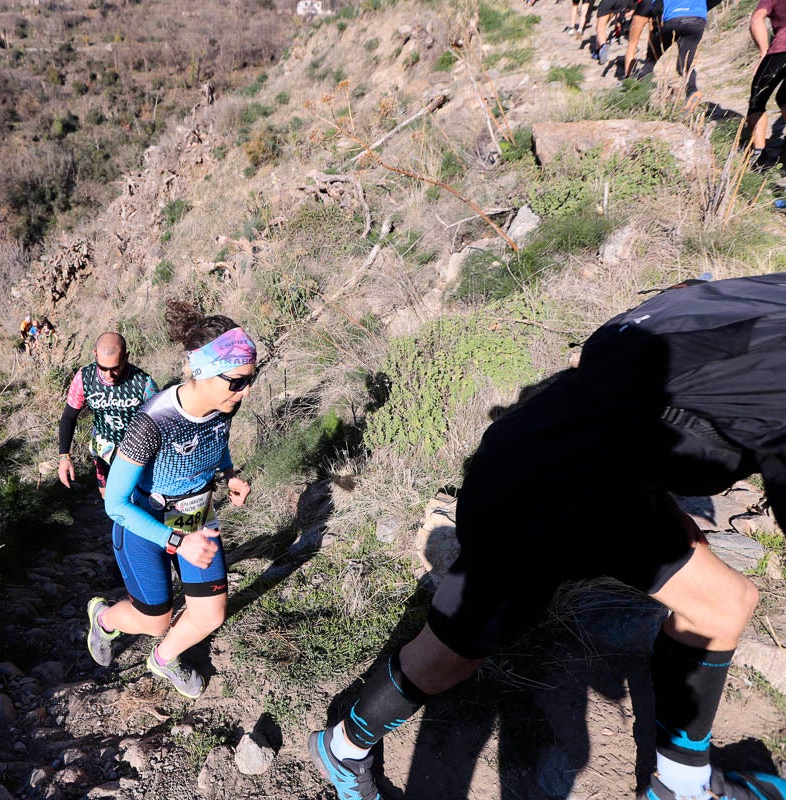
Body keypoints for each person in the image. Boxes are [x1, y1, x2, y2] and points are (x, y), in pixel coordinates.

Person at [309, 273, 786, 800]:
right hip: (534, 492)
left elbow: (615, 344)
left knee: (721, 605)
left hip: (604, 479)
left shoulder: (760, 298)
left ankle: (680, 784)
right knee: (454, 654)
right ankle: (345, 746)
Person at [86, 301, 256, 699]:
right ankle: (105, 618)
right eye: (236, 381)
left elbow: (217, 444)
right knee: (156, 620)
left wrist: (229, 475)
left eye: (251, 378)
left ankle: (162, 661)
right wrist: (177, 541)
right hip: (145, 522)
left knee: (210, 615)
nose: (245, 390)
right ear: (202, 372)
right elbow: (115, 504)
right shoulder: (152, 422)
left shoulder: (224, 403)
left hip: (197, 517)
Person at [57, 332, 158, 497]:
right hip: (102, 443)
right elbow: (69, 416)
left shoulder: (143, 383)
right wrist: (64, 457)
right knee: (106, 493)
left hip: (135, 448)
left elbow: (159, 424)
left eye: (116, 368)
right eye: (103, 368)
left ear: (126, 357)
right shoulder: (84, 378)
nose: (109, 375)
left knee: (135, 494)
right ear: (95, 355)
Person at [635, 0, 708, 104]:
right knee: (685, 64)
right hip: (697, 19)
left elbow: (656, 7)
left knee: (651, 60)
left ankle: (639, 96)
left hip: (674, 18)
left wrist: (656, 28)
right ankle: (692, 91)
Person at [743, 0, 786, 166]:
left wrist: (763, 53)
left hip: (781, 50)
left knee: (757, 100)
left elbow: (756, 19)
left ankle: (759, 154)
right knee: (783, 96)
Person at [625, 0, 660, 77]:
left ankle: (628, 76)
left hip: (644, 4)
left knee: (633, 42)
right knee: (653, 41)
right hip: (657, 5)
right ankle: (647, 72)